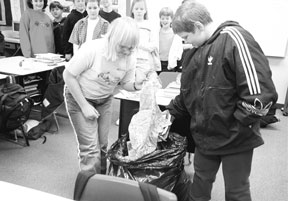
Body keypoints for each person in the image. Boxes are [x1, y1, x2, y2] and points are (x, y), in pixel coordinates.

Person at [166, 1, 278, 201]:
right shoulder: (194, 51)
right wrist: (168, 113)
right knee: (199, 186)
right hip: (205, 135)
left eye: (187, 37)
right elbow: (187, 95)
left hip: (236, 137)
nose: (187, 42)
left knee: (237, 191)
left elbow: (260, 94)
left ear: (198, 26)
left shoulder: (234, 38)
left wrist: (236, 122)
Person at [63, 17, 144, 175]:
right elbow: (68, 76)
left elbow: (124, 83)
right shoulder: (93, 49)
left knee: (102, 146)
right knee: (90, 149)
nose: (127, 52)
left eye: (131, 48)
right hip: (80, 98)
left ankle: (100, 181)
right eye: (123, 47)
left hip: (104, 99)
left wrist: (136, 85)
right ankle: (89, 188)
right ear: (112, 38)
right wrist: (84, 106)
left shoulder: (130, 57)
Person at [130, 0, 159, 79]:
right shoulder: (129, 24)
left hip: (145, 62)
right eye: (136, 9)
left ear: (145, 10)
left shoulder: (150, 25)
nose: (139, 11)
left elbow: (153, 46)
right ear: (132, 10)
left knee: (145, 84)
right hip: (130, 61)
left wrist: (137, 43)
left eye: (141, 9)